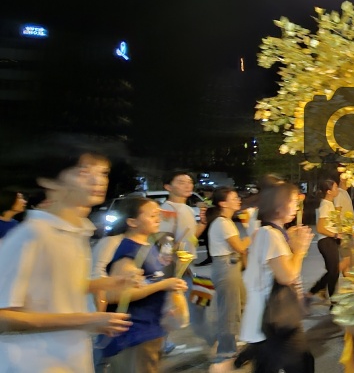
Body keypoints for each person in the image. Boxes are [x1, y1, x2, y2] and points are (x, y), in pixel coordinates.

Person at [0, 136, 135, 372]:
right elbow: (3, 318)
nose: (98, 180)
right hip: (32, 363)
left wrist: (109, 282)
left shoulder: (75, 233)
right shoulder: (31, 235)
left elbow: (54, 287)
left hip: (71, 358)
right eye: (84, 171)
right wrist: (88, 320)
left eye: (103, 172)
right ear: (48, 181)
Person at [100, 197, 188, 373]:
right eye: (152, 215)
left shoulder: (148, 245)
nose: (158, 219)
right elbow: (115, 295)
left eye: (159, 215)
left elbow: (149, 281)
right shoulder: (129, 250)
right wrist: (163, 285)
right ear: (132, 222)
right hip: (134, 334)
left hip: (150, 330)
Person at [236, 182, 314, 372]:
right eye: (293, 202)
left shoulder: (270, 232)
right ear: (279, 206)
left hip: (271, 318)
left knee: (272, 364)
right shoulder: (270, 235)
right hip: (276, 318)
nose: (296, 206)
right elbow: (287, 276)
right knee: (302, 364)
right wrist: (300, 249)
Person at [160, 170, 213, 350]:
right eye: (181, 182)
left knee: (199, 298)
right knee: (173, 304)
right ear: (168, 187)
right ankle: (162, 342)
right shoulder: (167, 210)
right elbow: (165, 240)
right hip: (175, 267)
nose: (187, 185)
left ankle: (207, 334)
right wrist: (170, 267)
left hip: (186, 265)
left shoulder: (188, 209)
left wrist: (202, 225)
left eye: (189, 182)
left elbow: (190, 238)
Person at [206, 187, 250, 367]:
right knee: (229, 310)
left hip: (230, 265)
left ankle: (230, 344)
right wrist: (252, 233)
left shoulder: (225, 221)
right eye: (234, 198)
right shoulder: (222, 222)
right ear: (223, 203)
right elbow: (240, 247)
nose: (238, 199)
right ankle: (226, 350)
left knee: (239, 304)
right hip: (226, 267)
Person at [308, 179, 345, 303]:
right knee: (334, 271)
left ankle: (315, 290)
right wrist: (335, 235)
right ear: (329, 191)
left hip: (331, 240)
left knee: (333, 271)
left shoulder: (330, 204)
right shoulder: (325, 205)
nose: (337, 190)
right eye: (335, 188)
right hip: (326, 241)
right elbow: (320, 228)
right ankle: (333, 301)